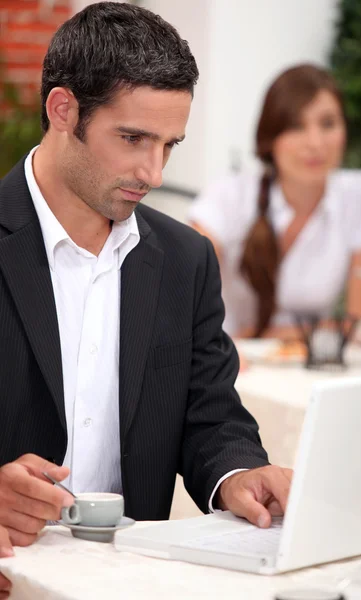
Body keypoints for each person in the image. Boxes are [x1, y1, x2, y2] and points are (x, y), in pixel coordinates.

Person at [0, 3, 292, 594]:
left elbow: (210, 414)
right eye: (133, 138)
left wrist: (239, 473)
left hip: (131, 584)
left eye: (169, 145)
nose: (153, 172)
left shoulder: (186, 261)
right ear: (63, 110)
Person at [189, 64, 361, 340]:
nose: (315, 143)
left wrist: (273, 336)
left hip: (310, 367)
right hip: (227, 363)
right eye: (296, 126)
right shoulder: (229, 195)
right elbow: (185, 292)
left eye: (327, 124)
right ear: (270, 138)